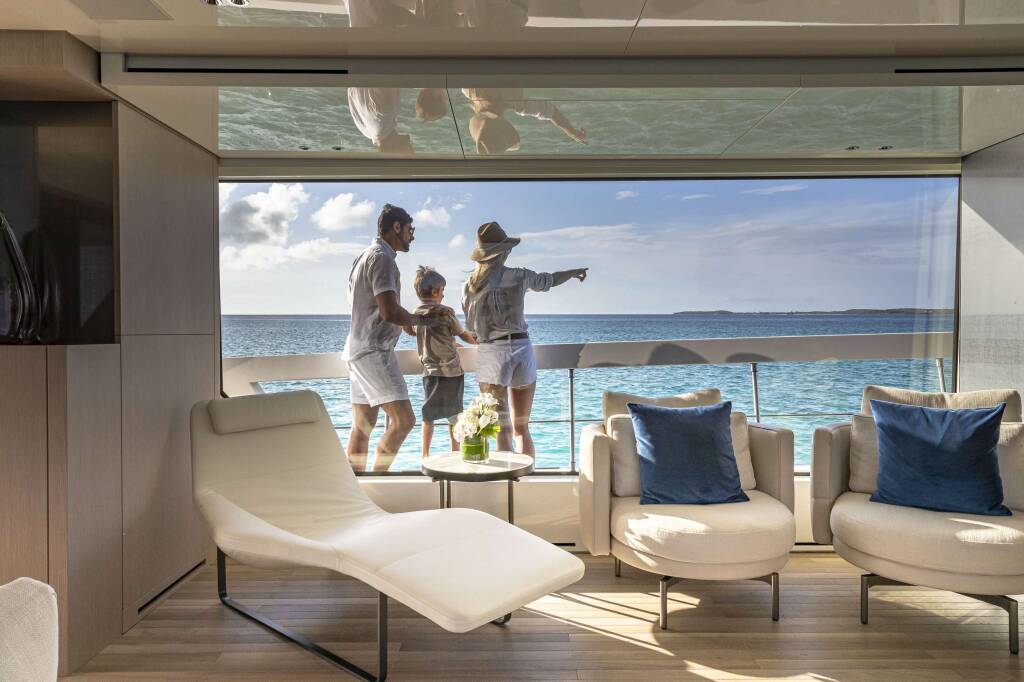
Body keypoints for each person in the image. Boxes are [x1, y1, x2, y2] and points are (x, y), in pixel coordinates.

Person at [462, 221, 587, 455]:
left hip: (492, 352)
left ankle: (507, 475)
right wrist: (573, 272)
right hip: (521, 348)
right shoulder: (519, 276)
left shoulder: (470, 286)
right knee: (521, 428)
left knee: (501, 428)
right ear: (504, 251)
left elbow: (471, 330)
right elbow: (550, 280)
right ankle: (527, 473)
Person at [343, 204, 440, 471]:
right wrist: (421, 320)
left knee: (362, 427)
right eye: (410, 229)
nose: (412, 236)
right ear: (396, 227)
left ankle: (357, 487)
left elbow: (374, 307)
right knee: (404, 421)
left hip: (356, 350)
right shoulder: (383, 259)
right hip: (373, 352)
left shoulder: (363, 257)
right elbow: (388, 311)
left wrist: (404, 321)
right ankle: (379, 478)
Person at [411, 266, 478, 457]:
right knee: (455, 415)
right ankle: (455, 452)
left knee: (428, 416)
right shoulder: (446, 312)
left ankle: (425, 453)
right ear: (435, 291)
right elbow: (462, 333)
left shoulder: (416, 314)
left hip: (430, 372)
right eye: (442, 290)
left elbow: (416, 331)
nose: (443, 294)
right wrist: (476, 342)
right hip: (452, 372)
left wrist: (449, 341)